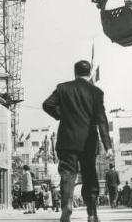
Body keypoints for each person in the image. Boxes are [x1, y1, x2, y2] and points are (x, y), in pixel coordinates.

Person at [43, 59, 112, 222]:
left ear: (75, 73)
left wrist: (61, 115)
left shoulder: (63, 88)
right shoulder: (96, 92)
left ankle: (67, 205)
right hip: (88, 141)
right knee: (89, 175)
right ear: (89, 74)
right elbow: (102, 120)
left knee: (67, 174)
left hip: (67, 140)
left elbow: (47, 105)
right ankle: (92, 213)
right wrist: (107, 146)